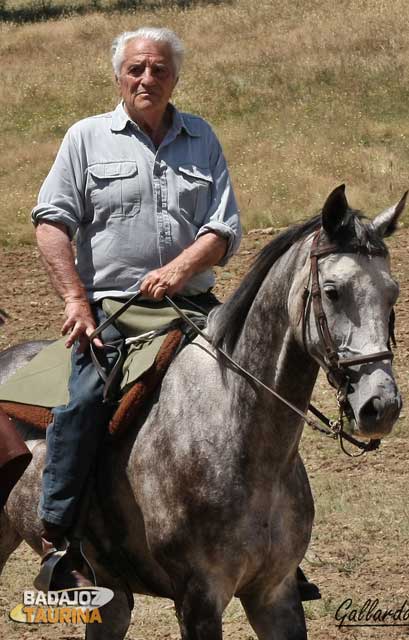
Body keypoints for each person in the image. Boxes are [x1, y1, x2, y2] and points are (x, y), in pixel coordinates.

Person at [31, 27, 242, 590]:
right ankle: (61, 538)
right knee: (81, 401)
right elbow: (51, 222)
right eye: (136, 69)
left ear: (175, 76)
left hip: (194, 303)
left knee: (259, 388)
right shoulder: (86, 137)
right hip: (115, 309)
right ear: (119, 76)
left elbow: (223, 226)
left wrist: (178, 270)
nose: (147, 78)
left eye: (159, 69)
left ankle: (272, 543)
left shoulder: (202, 136)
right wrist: (76, 300)